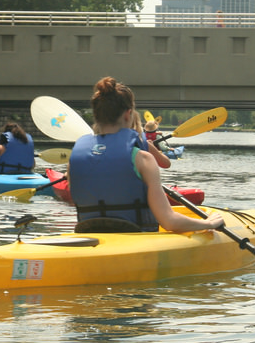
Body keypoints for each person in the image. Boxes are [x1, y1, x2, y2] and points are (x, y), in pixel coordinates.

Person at [68, 76, 224, 233]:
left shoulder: (75, 158)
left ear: (96, 115)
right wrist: (208, 224)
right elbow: (169, 221)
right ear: (128, 114)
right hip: (135, 236)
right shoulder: (142, 159)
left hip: (87, 236)